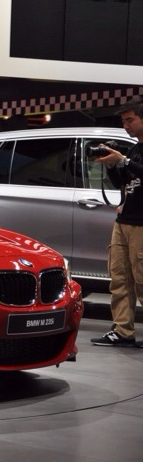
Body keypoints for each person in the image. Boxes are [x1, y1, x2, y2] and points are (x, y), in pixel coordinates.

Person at [90, 96, 143, 347]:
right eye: (123, 121)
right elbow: (122, 182)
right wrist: (112, 165)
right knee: (119, 278)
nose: (126, 125)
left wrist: (123, 160)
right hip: (124, 221)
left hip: (142, 224)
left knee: (142, 280)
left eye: (130, 120)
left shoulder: (131, 154)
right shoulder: (135, 149)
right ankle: (123, 331)